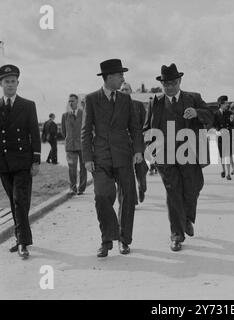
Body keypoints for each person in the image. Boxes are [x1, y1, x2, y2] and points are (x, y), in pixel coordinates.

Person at [143, 63, 213, 252]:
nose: (169, 87)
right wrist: (154, 152)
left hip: (190, 154)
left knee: (193, 187)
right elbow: (147, 130)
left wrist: (198, 113)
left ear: (180, 81)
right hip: (166, 157)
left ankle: (187, 218)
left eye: (173, 83)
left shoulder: (194, 98)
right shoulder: (155, 103)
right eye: (166, 84)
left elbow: (212, 117)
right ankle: (176, 235)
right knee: (173, 194)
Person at [81, 59, 144, 258]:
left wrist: (138, 150)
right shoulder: (91, 99)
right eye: (120, 76)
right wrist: (87, 157)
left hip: (124, 156)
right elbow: (85, 131)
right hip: (101, 157)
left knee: (128, 198)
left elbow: (135, 128)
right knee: (101, 196)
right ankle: (106, 239)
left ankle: (124, 240)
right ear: (109, 78)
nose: (123, 79)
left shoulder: (126, 100)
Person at [0, 64, 41, 259]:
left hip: (23, 163)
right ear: (1, 84)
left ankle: (23, 242)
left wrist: (36, 160)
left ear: (18, 83)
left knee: (19, 201)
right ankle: (19, 238)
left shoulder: (28, 105)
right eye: (6, 81)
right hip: (3, 163)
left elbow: (34, 133)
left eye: (13, 81)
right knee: (14, 201)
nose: (10, 85)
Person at [120, 82, 149, 203]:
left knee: (141, 172)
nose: (124, 91)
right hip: (123, 146)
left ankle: (142, 188)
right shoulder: (116, 107)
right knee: (127, 174)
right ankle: (133, 199)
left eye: (126, 89)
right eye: (122, 90)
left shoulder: (138, 105)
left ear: (131, 91)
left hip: (138, 145)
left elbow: (146, 124)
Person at [61, 94, 87, 195]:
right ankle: (73, 188)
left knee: (83, 167)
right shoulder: (65, 115)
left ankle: (82, 188)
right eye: (69, 101)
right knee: (72, 167)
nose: (71, 103)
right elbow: (63, 131)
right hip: (70, 145)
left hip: (82, 144)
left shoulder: (83, 114)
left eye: (73, 101)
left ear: (77, 102)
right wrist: (69, 138)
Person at [213, 95, 234, 180]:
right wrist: (217, 131)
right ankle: (223, 170)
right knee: (222, 155)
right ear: (221, 104)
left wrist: (232, 121)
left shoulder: (229, 113)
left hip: (228, 136)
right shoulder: (216, 114)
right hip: (220, 136)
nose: (227, 105)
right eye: (226, 103)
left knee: (228, 155)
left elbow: (232, 125)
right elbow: (214, 124)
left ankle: (228, 173)